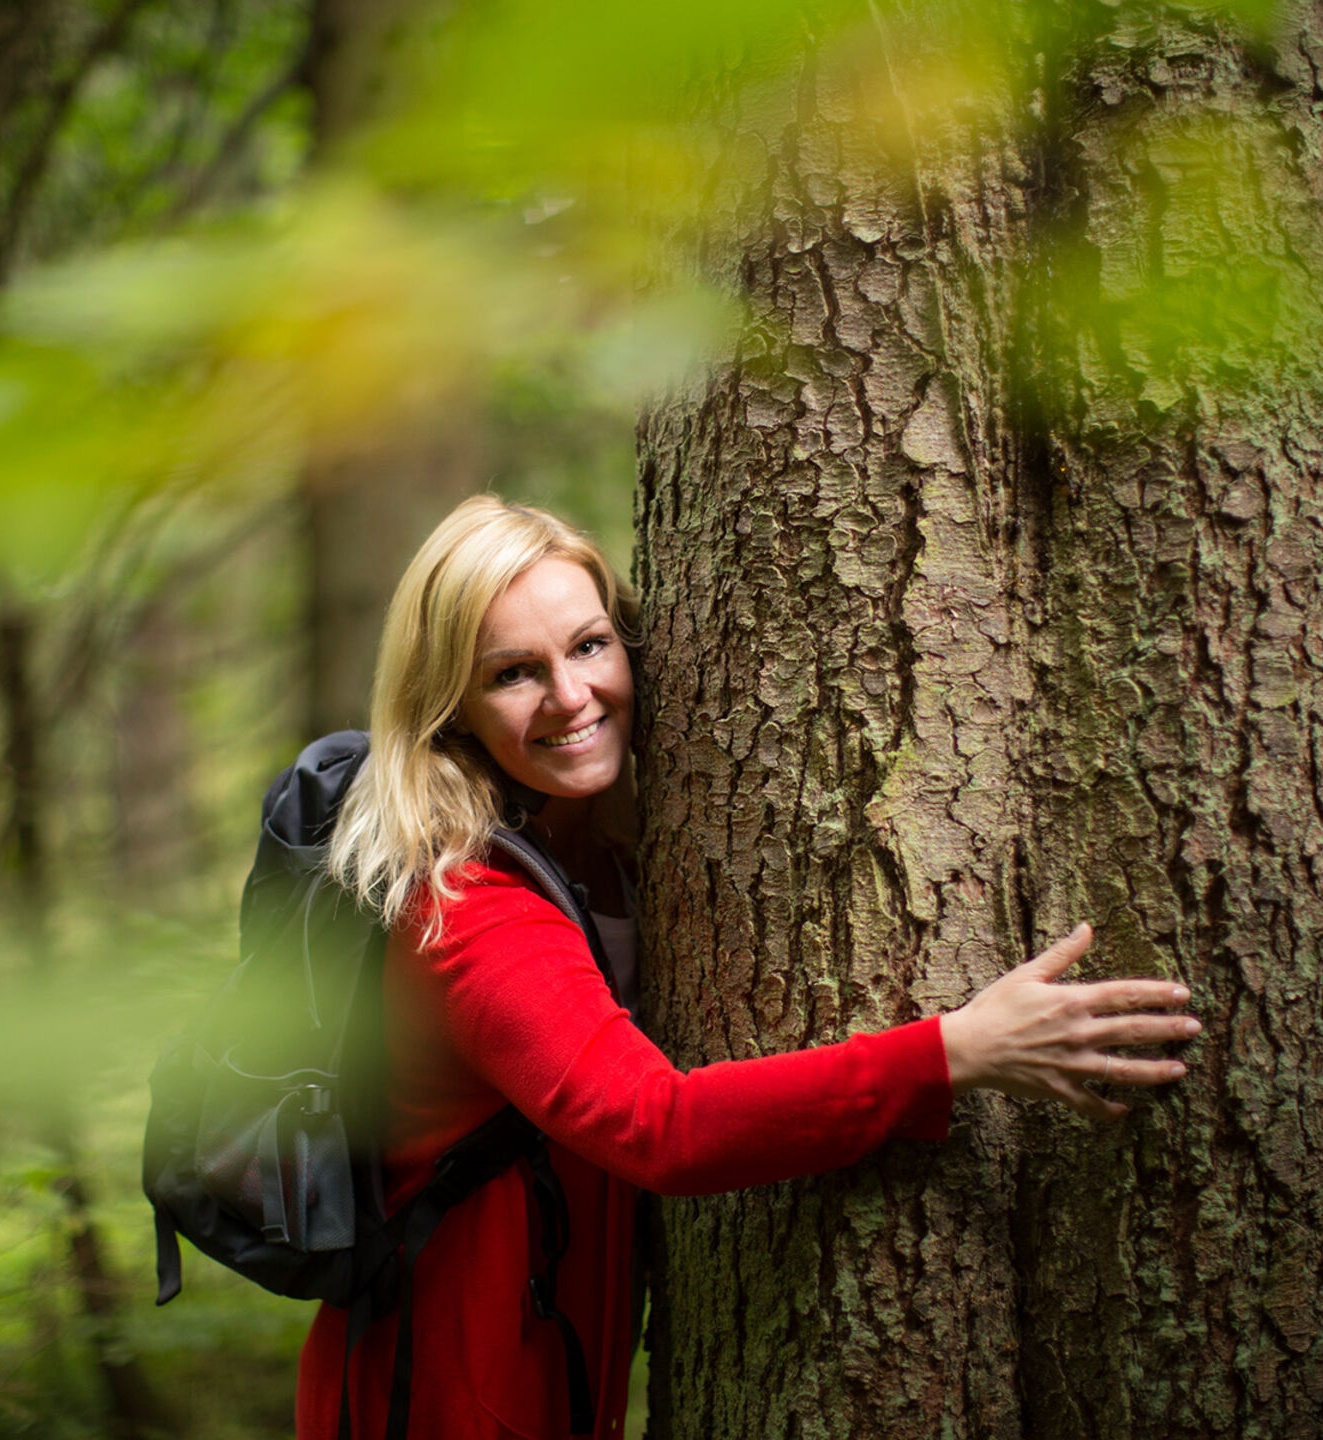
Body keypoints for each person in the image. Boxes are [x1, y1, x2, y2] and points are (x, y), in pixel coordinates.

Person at [295, 496, 1199, 1439]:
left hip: (539, 1359)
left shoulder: (591, 853)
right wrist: (952, 1052)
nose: (570, 696)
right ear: (452, 709)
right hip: (444, 1389)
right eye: (515, 673)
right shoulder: (470, 909)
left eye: (591, 646)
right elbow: (660, 1127)